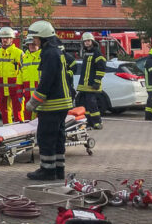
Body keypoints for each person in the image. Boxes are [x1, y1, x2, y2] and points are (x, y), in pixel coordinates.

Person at [25, 21, 73, 180]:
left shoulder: (49, 54)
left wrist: (33, 102)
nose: (34, 41)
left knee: (46, 137)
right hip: (62, 104)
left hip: (52, 105)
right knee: (58, 137)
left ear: (43, 37)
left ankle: (47, 170)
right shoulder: (56, 52)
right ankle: (59, 169)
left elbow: (47, 81)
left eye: (36, 38)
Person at [0, 27, 24, 124]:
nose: (4, 40)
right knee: (4, 113)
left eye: (7, 38)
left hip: (16, 89)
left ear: (12, 39)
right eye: (3, 38)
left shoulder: (19, 53)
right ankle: (7, 132)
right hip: (2, 90)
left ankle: (21, 133)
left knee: (18, 113)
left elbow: (24, 71)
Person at [76, 33, 106, 130]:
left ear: (92, 42)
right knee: (85, 105)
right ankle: (89, 122)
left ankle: (97, 122)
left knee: (92, 105)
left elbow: (101, 68)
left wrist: (97, 82)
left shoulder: (97, 53)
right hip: (84, 85)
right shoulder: (86, 53)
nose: (87, 43)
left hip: (92, 85)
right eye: (85, 41)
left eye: (88, 41)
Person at [20, 37, 41, 121]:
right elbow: (19, 76)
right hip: (27, 95)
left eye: (34, 44)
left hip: (40, 94)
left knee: (39, 120)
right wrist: (19, 92)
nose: (31, 46)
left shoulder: (43, 56)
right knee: (27, 119)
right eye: (30, 44)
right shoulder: (24, 58)